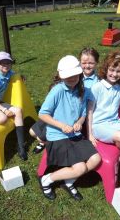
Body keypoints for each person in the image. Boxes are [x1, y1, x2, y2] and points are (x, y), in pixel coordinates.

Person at [38, 55, 101, 201]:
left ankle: (69, 181)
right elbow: (42, 114)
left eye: (74, 76)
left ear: (79, 74)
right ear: (61, 77)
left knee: (96, 158)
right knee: (80, 168)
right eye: (68, 77)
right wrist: (61, 125)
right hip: (58, 136)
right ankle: (47, 179)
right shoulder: (57, 91)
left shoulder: (83, 91)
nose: (72, 79)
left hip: (75, 135)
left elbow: (84, 113)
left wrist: (79, 121)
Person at [30, 47, 100, 154]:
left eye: (91, 63)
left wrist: (87, 130)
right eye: (84, 62)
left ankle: (47, 142)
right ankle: (45, 141)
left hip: (75, 117)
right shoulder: (69, 75)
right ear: (78, 63)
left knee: (52, 133)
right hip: (59, 113)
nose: (87, 66)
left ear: (96, 63)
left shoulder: (96, 83)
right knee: (32, 131)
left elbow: (88, 109)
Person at [87, 50, 120, 189]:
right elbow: (90, 111)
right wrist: (90, 134)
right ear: (106, 69)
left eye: (118, 71)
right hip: (99, 125)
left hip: (114, 123)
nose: (114, 74)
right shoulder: (97, 87)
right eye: (112, 70)